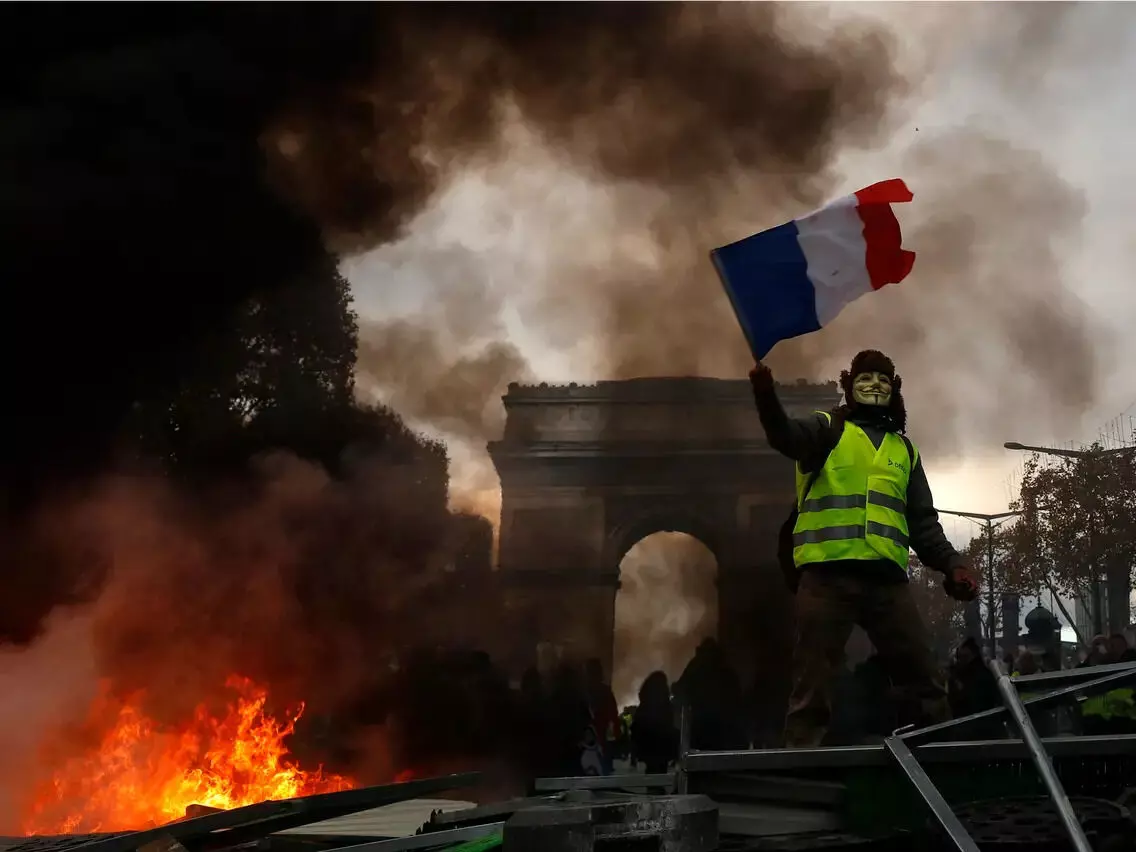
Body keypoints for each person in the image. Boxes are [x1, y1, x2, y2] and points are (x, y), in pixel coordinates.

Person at [751, 349, 980, 748]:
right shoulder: (828, 429)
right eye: (865, 377)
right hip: (827, 577)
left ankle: (941, 757)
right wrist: (765, 395)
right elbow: (784, 436)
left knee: (924, 676)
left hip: (886, 584)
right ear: (848, 386)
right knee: (813, 683)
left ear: (895, 389)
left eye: (883, 379)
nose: (875, 384)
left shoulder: (904, 451)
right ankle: (799, 768)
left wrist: (952, 564)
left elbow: (923, 524)